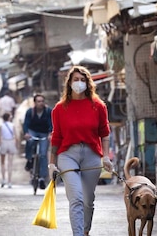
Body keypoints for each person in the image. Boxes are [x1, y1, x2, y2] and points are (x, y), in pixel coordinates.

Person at [48, 66, 113, 236]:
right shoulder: (59, 109)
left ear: (88, 83)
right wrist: (51, 163)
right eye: (75, 79)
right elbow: (56, 138)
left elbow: (104, 134)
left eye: (82, 80)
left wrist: (106, 157)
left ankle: (85, 230)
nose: (79, 83)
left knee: (88, 200)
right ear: (69, 83)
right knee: (76, 198)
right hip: (67, 154)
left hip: (91, 154)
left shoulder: (98, 106)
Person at [23, 93, 52, 186]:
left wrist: (50, 133)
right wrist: (26, 133)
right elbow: (26, 124)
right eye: (39, 101)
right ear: (35, 103)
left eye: (42, 101)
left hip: (44, 133)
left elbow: (51, 123)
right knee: (30, 141)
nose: (41, 103)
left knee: (43, 154)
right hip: (33, 131)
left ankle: (42, 177)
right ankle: (29, 159)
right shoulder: (30, 112)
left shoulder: (48, 111)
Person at [0, 112, 17, 188]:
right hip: (11, 141)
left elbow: (0, 136)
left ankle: (3, 179)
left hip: (4, 142)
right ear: (9, 117)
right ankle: (9, 181)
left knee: (2, 162)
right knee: (10, 163)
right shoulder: (13, 125)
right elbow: (15, 136)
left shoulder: (1, 126)